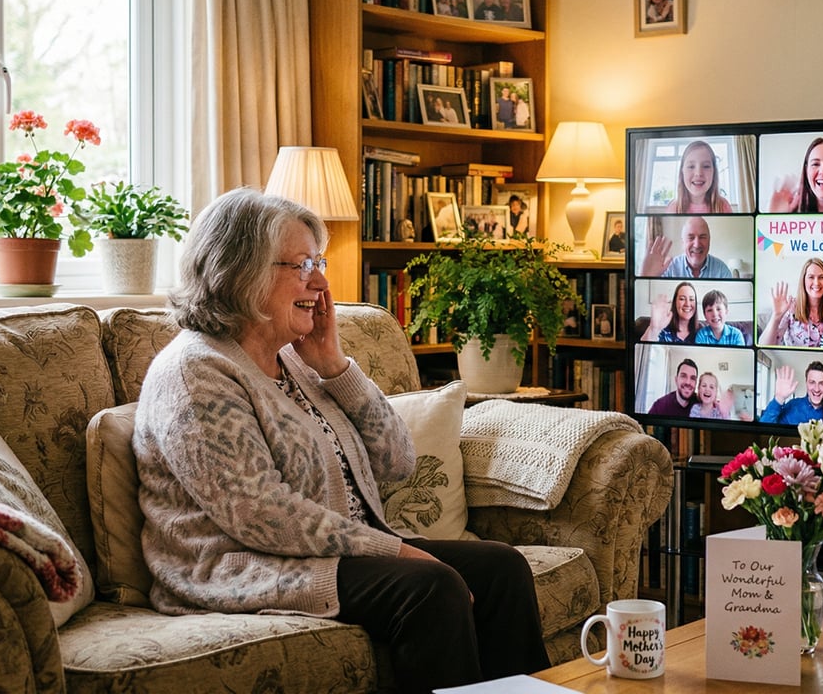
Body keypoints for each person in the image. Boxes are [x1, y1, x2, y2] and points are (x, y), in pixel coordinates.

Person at [132, 189, 549, 692]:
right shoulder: (193, 373)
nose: (322, 282)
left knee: (501, 567)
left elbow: (398, 463)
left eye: (319, 261)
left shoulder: (295, 359)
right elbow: (259, 513)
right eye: (303, 264)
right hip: (241, 566)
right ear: (241, 270)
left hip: (330, 554)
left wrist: (335, 368)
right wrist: (392, 551)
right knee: (429, 588)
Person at [759, 258, 823, 347]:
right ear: (803, 280)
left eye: (821, 277)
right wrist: (776, 316)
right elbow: (764, 346)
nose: (816, 282)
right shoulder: (790, 308)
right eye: (811, 277)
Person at [641, 216, 734, 279]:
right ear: (683, 243)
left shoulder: (722, 270)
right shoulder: (669, 268)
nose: (697, 244)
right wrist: (646, 276)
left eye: (702, 237)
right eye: (691, 237)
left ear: (709, 241)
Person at [665, 140, 734, 214]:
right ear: (682, 171)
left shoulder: (723, 206)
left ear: (714, 172)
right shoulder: (673, 208)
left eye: (706, 166)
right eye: (691, 166)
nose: (698, 173)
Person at [759, 362, 823, 424]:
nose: (817, 389)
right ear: (806, 383)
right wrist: (779, 398)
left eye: (821, 383)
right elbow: (763, 429)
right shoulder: (792, 406)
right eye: (812, 382)